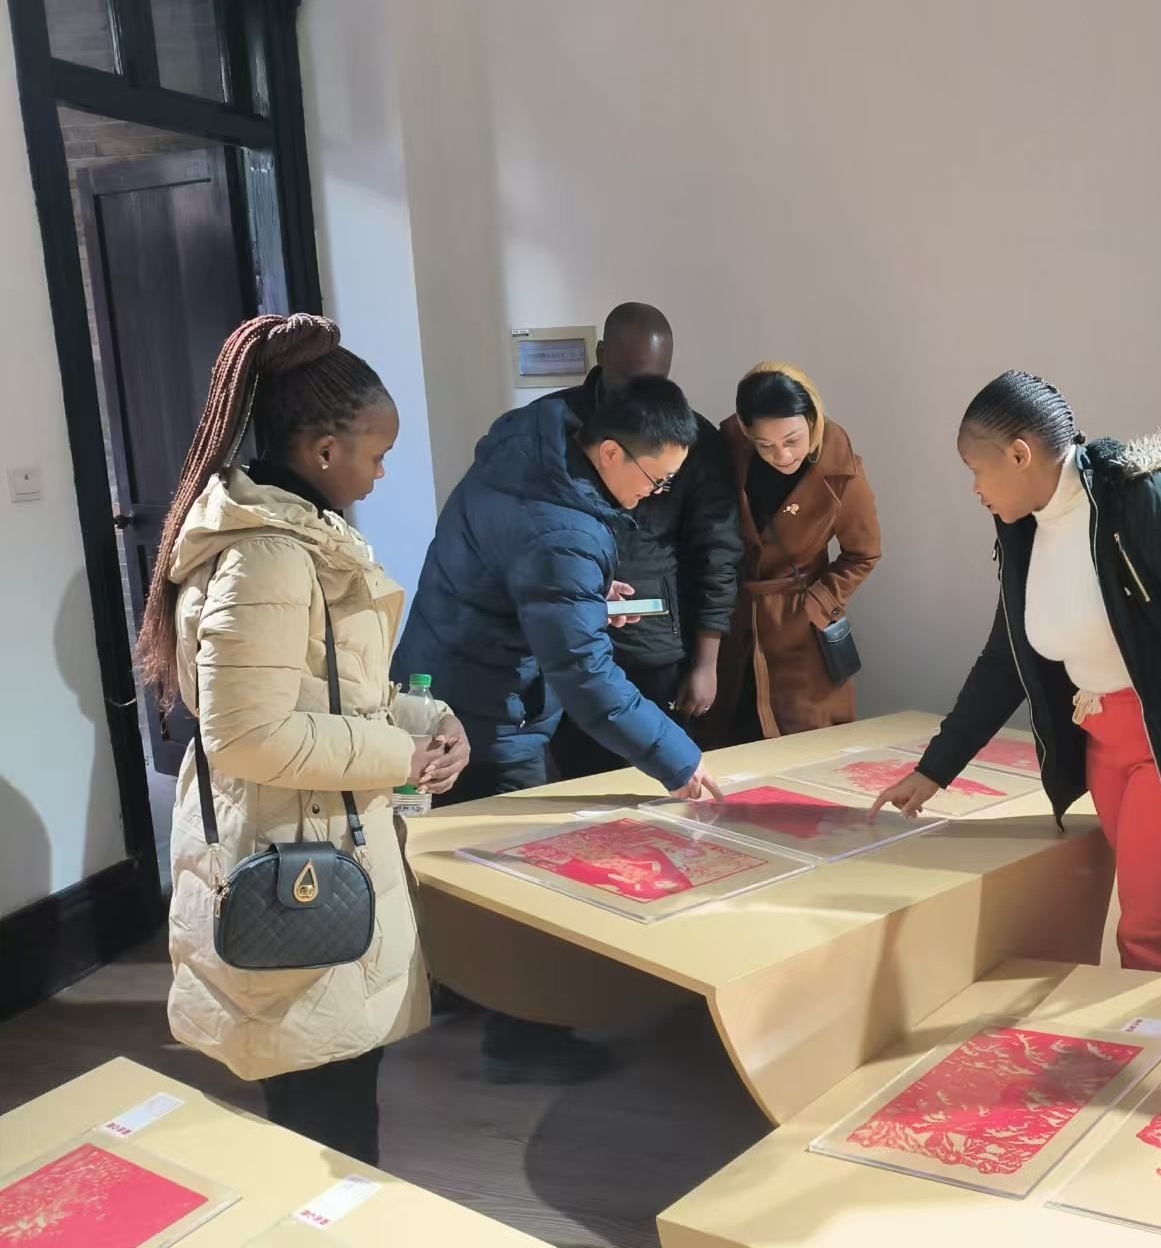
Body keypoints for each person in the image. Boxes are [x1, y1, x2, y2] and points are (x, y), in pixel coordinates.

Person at [137, 314, 470, 1166]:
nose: (383, 470)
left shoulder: (301, 535)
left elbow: (335, 691)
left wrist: (430, 723)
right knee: (326, 1116)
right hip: (295, 858)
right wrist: (399, 757)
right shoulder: (270, 557)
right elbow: (249, 734)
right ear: (324, 450)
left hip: (315, 837)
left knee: (337, 1098)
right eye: (376, 452)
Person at [874, 372, 1161, 977]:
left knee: (1149, 941)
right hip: (1107, 746)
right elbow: (1006, 658)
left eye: (976, 469)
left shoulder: (1149, 500)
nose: (975, 488)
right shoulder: (1025, 527)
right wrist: (935, 769)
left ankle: (1156, 1041)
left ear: (1019, 454)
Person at [393, 371, 722, 1081]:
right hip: (488, 709)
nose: (656, 494)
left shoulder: (531, 449)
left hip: (441, 676)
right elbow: (585, 675)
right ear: (611, 453)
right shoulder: (563, 529)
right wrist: (680, 760)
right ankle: (521, 1038)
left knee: (459, 859)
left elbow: (518, 572)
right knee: (521, 873)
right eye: (656, 479)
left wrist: (584, 595)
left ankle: (456, 987)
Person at [549, 303, 741, 775]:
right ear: (601, 355)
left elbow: (716, 553)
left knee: (658, 783)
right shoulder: (551, 424)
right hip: (567, 638)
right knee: (574, 788)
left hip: (654, 647)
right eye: (627, 380)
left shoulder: (693, 439)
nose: (639, 399)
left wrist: (706, 663)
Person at [700, 362, 881, 744]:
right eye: (765, 444)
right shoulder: (727, 451)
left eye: (792, 440)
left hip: (801, 629)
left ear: (813, 420)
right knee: (729, 738)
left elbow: (864, 553)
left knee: (810, 739)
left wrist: (817, 604)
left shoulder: (841, 471)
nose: (781, 455)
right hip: (734, 619)